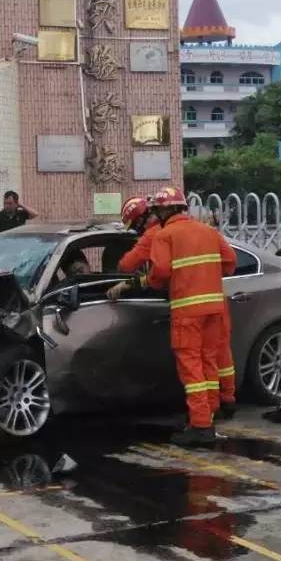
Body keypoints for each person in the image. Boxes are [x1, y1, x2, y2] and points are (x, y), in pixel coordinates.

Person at [109, 187, 236, 448]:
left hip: (187, 311)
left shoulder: (164, 236)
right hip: (214, 308)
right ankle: (209, 413)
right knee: (208, 361)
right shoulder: (207, 231)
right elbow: (230, 262)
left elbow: (160, 274)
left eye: (158, 210)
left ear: (165, 210)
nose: (156, 215)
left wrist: (142, 282)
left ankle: (200, 426)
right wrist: (204, 276)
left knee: (191, 368)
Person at [116, 196, 161, 274]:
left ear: (140, 221)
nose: (136, 230)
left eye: (134, 226)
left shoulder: (152, 234)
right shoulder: (167, 225)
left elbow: (125, 266)